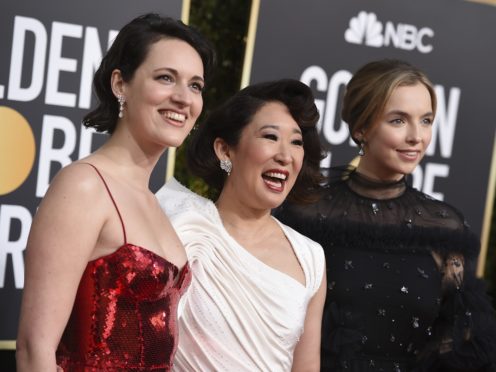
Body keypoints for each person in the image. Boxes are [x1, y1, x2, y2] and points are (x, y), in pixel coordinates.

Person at [16, 13, 215, 371]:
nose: (184, 98)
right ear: (121, 84)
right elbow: (34, 349)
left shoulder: (152, 202)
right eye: (166, 78)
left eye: (196, 85)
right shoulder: (84, 186)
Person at [274, 59, 496, 371]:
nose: (416, 136)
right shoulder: (305, 212)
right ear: (361, 128)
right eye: (398, 120)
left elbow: (461, 345)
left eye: (427, 120)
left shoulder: (444, 228)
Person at [156, 79, 327, 371]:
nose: (285, 155)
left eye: (296, 142)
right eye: (271, 137)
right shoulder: (181, 227)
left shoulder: (310, 257)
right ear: (225, 150)